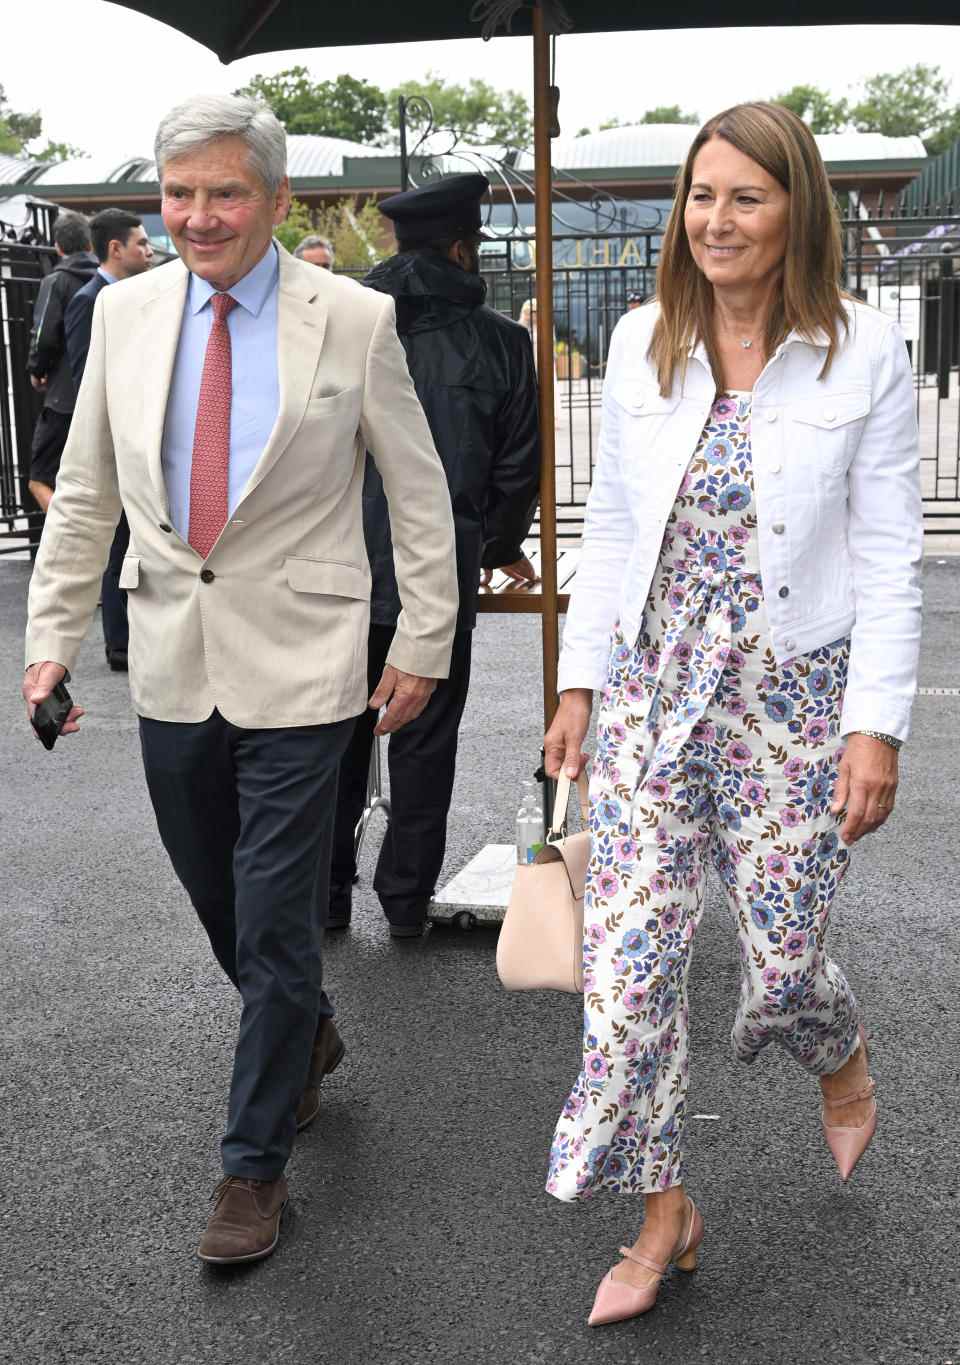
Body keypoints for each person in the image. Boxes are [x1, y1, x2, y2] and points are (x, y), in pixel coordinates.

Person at [23, 93, 458, 1266]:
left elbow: (415, 492)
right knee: (217, 899)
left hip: (309, 665)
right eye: (179, 195)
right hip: (171, 656)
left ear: (274, 200)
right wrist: (50, 635)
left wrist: (423, 637)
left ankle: (251, 1167)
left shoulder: (353, 319)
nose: (200, 217)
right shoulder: (123, 313)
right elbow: (90, 493)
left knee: (273, 917)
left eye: (224, 193)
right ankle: (304, 1031)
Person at [542, 102, 921, 1327]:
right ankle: (663, 1215)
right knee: (631, 976)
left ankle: (836, 1044)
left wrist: (878, 727)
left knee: (783, 956)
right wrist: (578, 683)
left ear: (795, 208)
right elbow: (608, 529)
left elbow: (889, 560)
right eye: (702, 196)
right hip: (657, 696)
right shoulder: (647, 337)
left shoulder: (865, 353)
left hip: (795, 698)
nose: (716, 220)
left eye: (746, 197)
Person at [328, 173, 540, 937]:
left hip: (336, 563)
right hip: (439, 567)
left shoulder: (338, 326)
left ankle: (325, 897)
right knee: (423, 737)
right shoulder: (503, 342)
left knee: (333, 731)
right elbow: (517, 470)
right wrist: (499, 544)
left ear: (392, 244)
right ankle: (407, 900)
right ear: (462, 247)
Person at [65, 208, 154, 671]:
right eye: (141, 242)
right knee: (117, 544)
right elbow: (87, 375)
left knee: (132, 541)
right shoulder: (90, 298)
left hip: (139, 436)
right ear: (115, 248)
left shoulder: (135, 297)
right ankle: (119, 643)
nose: (150, 249)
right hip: (115, 440)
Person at [25, 211, 97, 512]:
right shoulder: (107, 278)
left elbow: (44, 335)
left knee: (40, 478)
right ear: (91, 245)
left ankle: (65, 540)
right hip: (101, 395)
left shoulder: (57, 281)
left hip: (63, 399)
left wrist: (36, 370)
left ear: (58, 247)